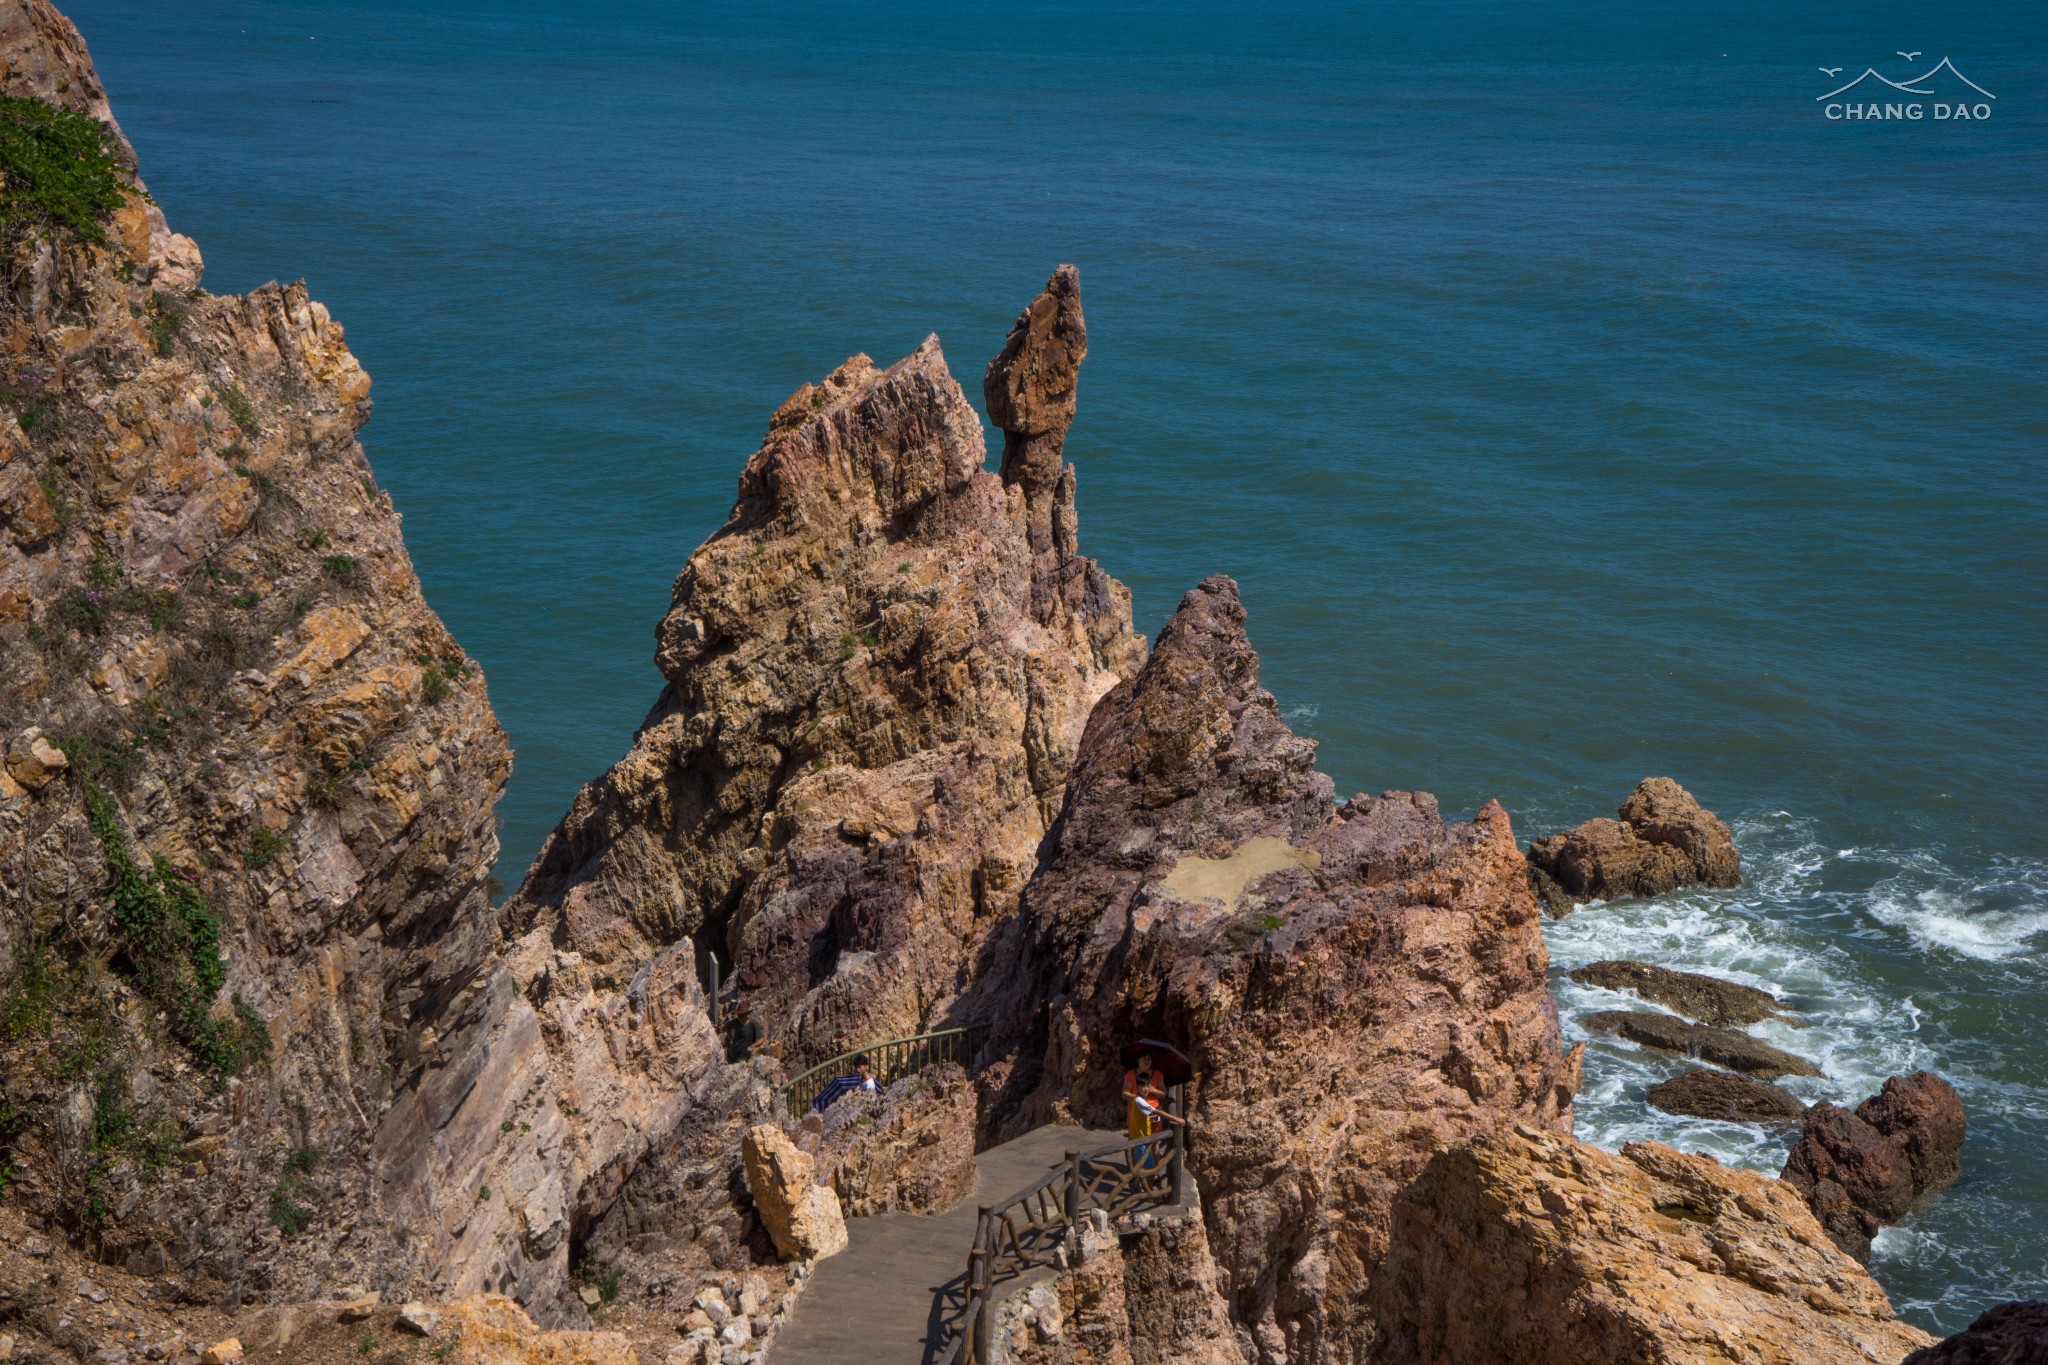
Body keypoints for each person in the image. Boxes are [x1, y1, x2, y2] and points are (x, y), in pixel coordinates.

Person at [811, 1060, 880, 1113]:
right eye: (856, 1067)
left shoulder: (869, 1084)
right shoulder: (861, 1079)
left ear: (865, 1066)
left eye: (859, 1067)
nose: (857, 1069)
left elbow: (868, 1099)